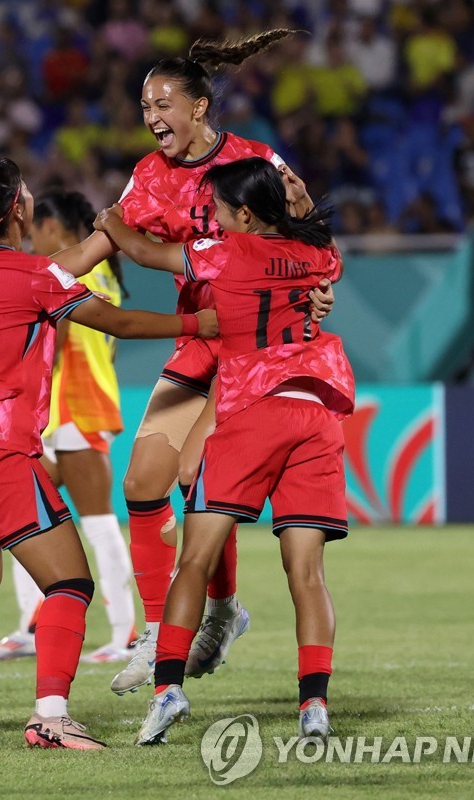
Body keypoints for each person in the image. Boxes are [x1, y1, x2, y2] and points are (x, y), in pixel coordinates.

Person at [48, 32, 335, 696]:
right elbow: (101, 239)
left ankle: (218, 613)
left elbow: (311, 231)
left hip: (253, 345)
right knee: (143, 480)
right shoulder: (150, 175)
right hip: (201, 336)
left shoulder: (257, 161)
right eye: (144, 104)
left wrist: (321, 287)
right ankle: (182, 623)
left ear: (201, 106)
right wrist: (38, 284)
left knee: (190, 470)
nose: (152, 115)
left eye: (164, 102)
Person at [0, 156, 217, 751]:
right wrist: (199, 322)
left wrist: (110, 230)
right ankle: (50, 716)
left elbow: (57, 267)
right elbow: (120, 322)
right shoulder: (33, 279)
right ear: (18, 208)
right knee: (70, 584)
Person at [91, 156, 353, 745]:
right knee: (307, 573)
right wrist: (305, 206)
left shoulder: (223, 252)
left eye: (218, 209)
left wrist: (111, 218)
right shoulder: (315, 257)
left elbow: (145, 253)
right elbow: (328, 251)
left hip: (250, 414)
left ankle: (167, 692)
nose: (210, 217)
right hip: (314, 416)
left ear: (242, 213)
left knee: (194, 560)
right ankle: (314, 705)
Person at [0, 188, 137, 665]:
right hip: (63, 412)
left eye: (37, 231)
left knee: (96, 521)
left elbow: (57, 327)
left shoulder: (79, 270)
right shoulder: (98, 267)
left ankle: (126, 632)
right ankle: (32, 625)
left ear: (50, 227)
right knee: (21, 516)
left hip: (79, 408)